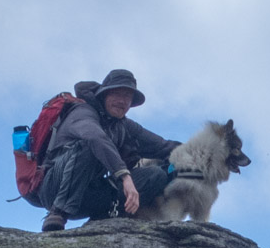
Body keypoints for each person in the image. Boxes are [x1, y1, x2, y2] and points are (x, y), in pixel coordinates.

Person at [39, 69, 182, 232]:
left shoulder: (125, 126)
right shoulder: (82, 112)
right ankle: (58, 214)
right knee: (90, 145)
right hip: (54, 188)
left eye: (127, 97)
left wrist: (199, 154)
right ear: (104, 94)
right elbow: (94, 137)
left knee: (157, 175)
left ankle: (104, 219)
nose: (122, 101)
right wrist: (124, 176)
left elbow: (163, 146)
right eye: (117, 94)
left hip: (88, 194)